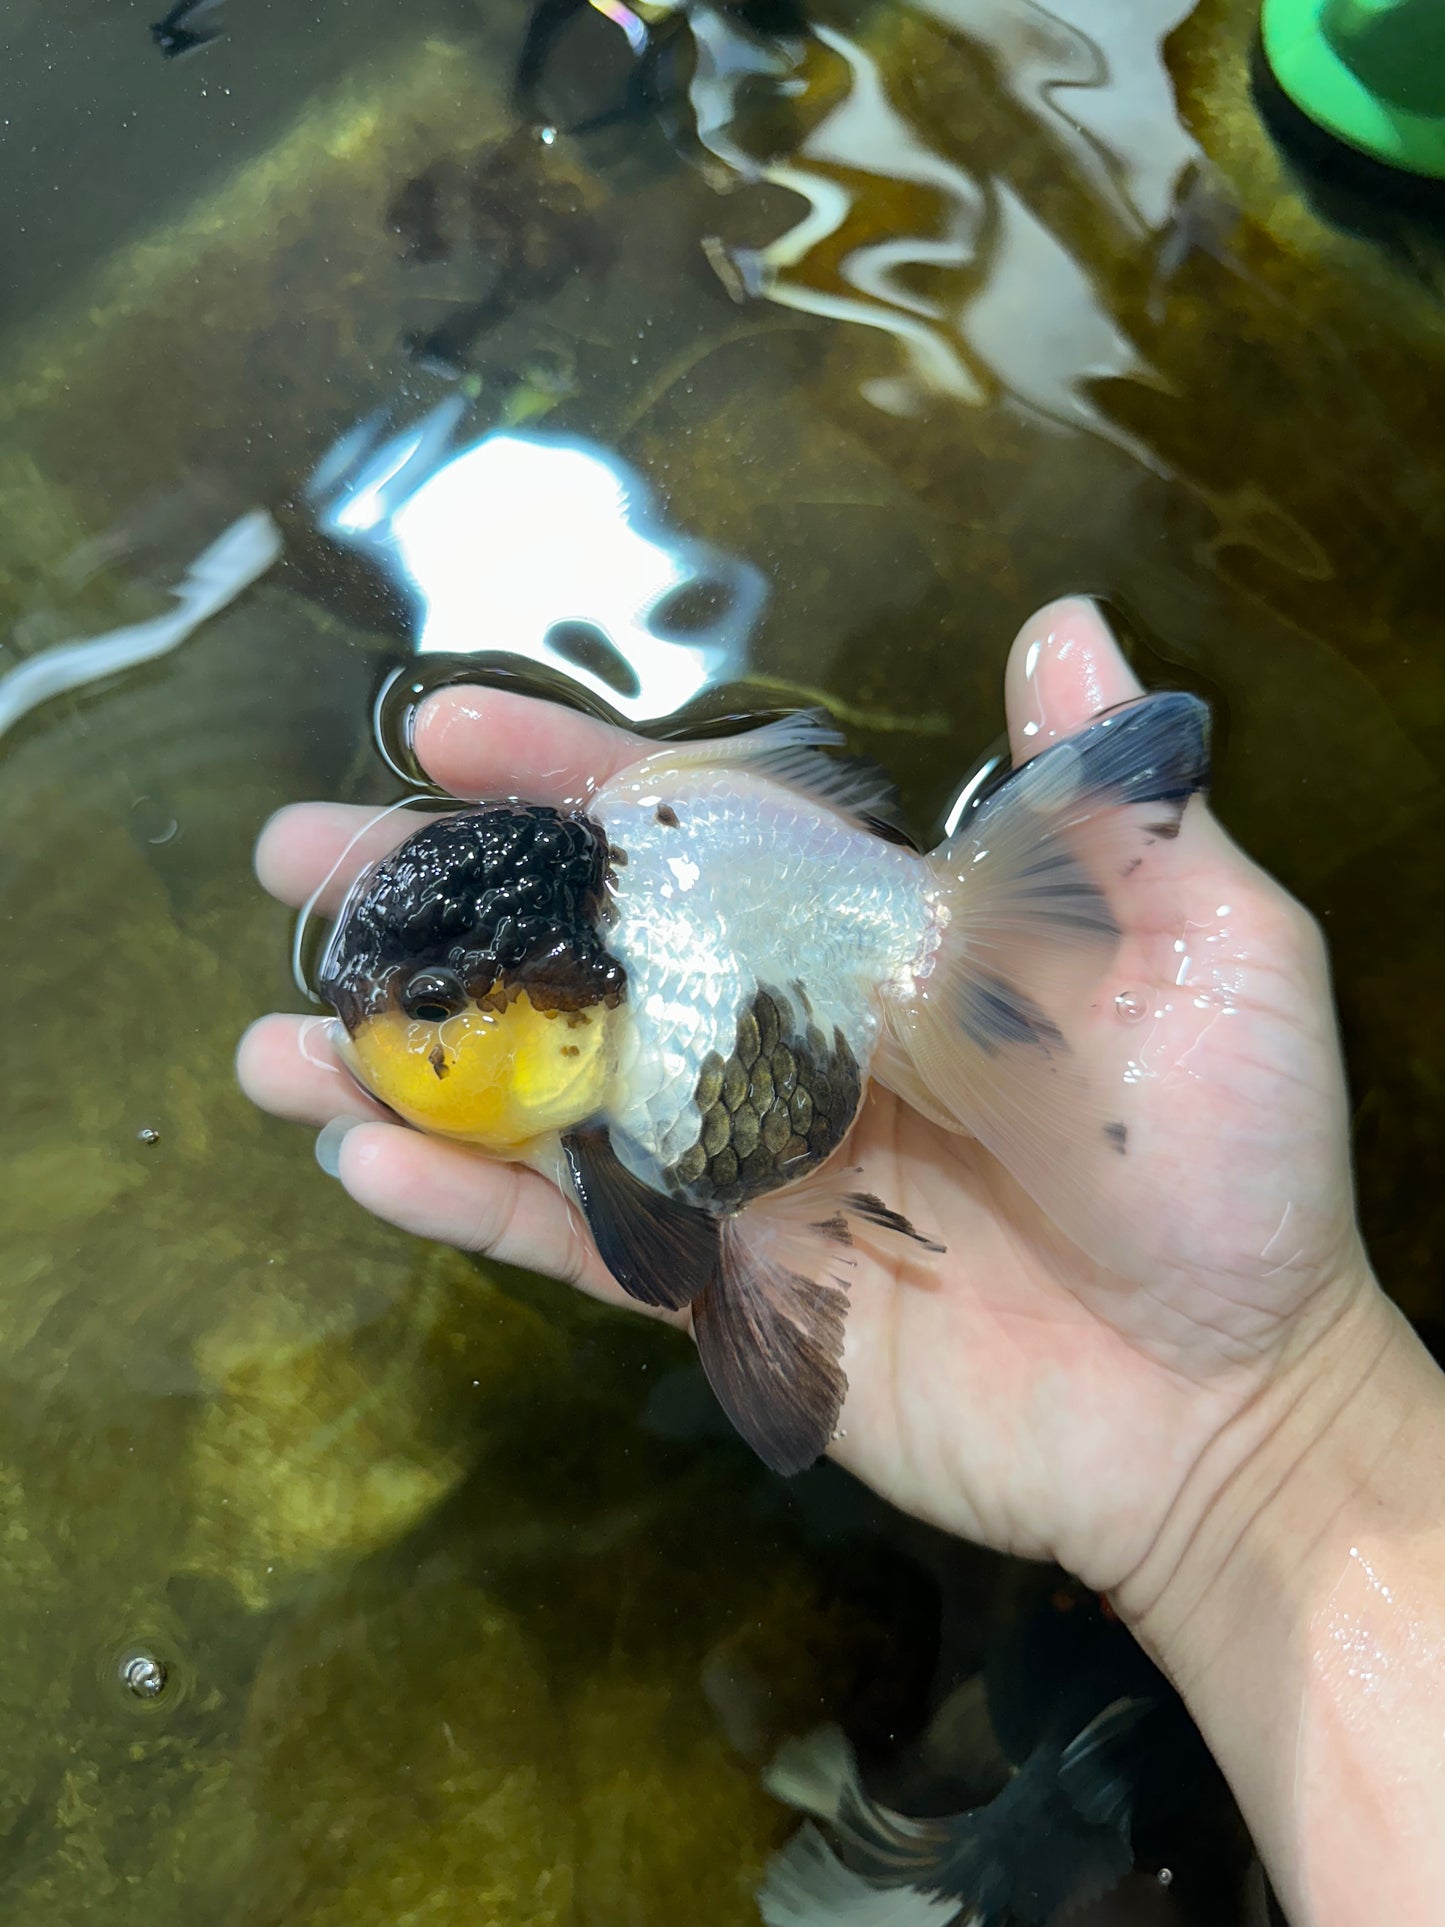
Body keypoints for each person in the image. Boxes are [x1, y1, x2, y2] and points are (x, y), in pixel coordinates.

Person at [239, 597, 1445, 1925]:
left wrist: (1273, 1412)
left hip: (790, 953)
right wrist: (1276, 1445)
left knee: (706, 1226)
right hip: (761, 994)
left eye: (428, 1011)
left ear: (565, 1003)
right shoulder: (613, 996)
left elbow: (669, 1232)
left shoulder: (671, 929)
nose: (398, 1040)